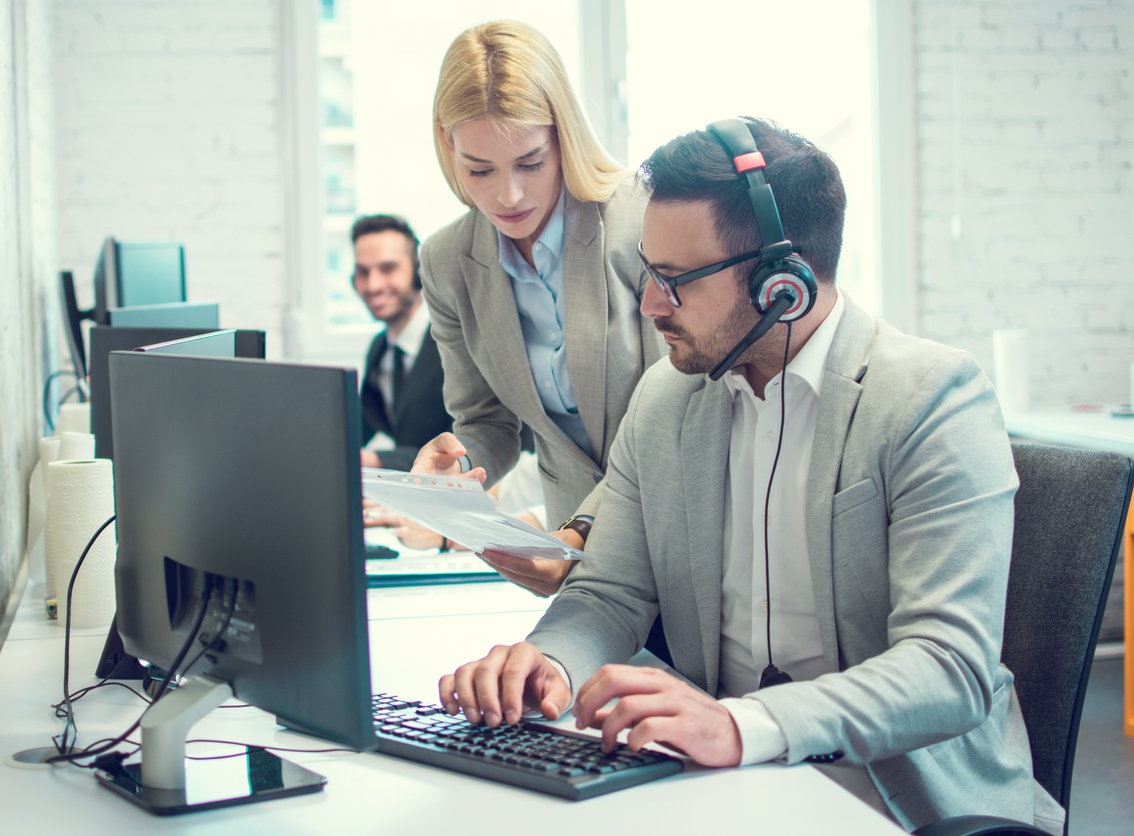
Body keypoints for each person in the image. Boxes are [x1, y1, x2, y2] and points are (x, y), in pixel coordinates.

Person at [436, 118, 1065, 833]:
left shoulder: (931, 398)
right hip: (727, 786)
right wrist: (548, 664)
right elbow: (610, 593)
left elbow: (948, 667)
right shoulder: (667, 400)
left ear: (782, 285)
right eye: (648, 272)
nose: (649, 306)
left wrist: (745, 725)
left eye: (673, 282)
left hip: (898, 796)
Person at [412, 20, 665, 595]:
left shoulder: (638, 222)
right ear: (447, 145)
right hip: (570, 553)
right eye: (480, 169)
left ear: (564, 137)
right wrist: (452, 469)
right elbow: (485, 424)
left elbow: (674, 414)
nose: (509, 196)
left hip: (677, 525)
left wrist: (582, 529)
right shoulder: (448, 260)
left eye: (530, 162)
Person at [351, 214, 452, 471]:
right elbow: (360, 424)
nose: (373, 285)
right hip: (411, 491)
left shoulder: (453, 343)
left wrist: (376, 460)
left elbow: (468, 444)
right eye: (363, 272)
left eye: (388, 269)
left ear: (418, 273)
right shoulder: (380, 349)